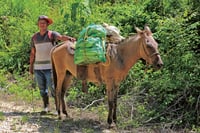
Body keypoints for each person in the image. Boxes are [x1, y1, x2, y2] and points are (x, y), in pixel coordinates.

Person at [29, 15, 75, 115]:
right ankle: (46, 107)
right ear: (38, 24)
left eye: (44, 23)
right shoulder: (34, 37)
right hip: (38, 67)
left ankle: (57, 108)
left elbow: (61, 37)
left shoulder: (51, 34)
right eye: (40, 23)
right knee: (42, 89)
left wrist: (69, 39)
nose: (42, 24)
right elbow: (33, 53)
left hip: (51, 67)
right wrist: (31, 66)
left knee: (54, 88)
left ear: (47, 24)